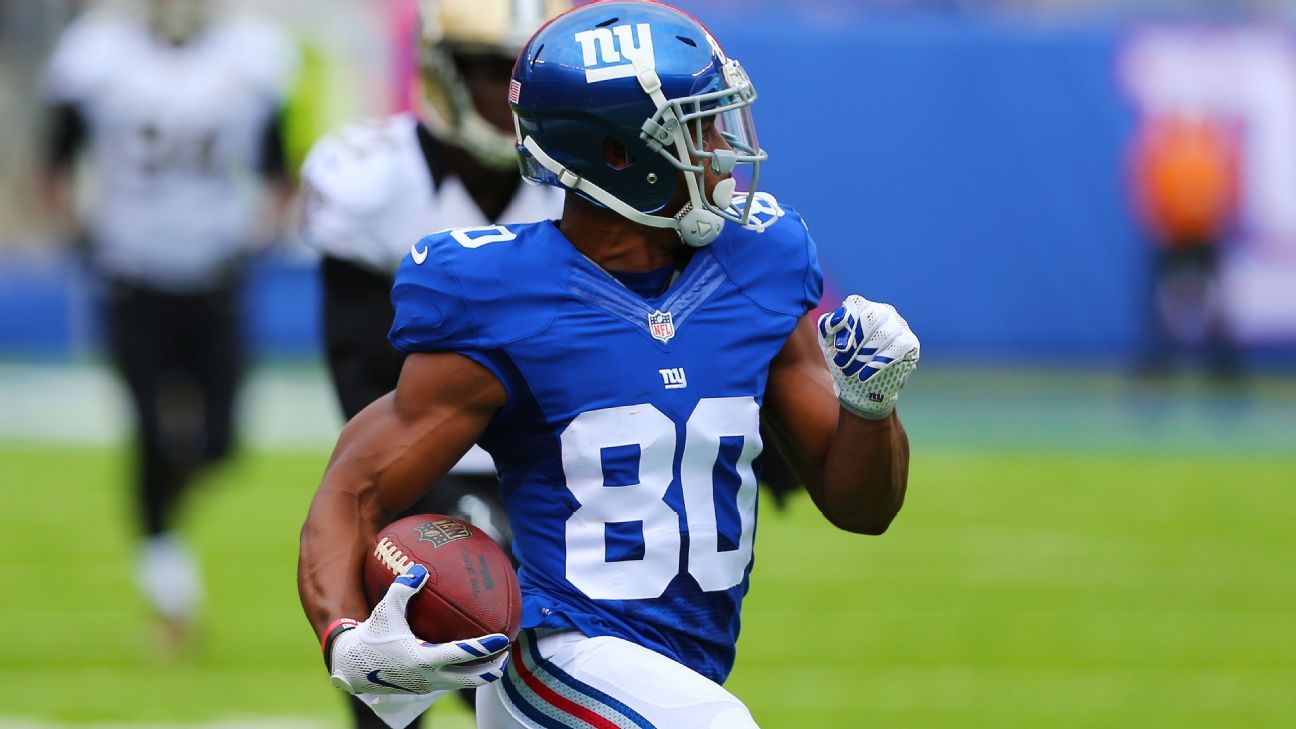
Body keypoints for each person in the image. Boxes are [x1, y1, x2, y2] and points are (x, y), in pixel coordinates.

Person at [297, 3, 920, 728]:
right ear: (618, 154)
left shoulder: (759, 263)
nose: (724, 147)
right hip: (558, 657)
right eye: (697, 127)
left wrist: (870, 407)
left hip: (673, 671)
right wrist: (346, 634)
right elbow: (354, 489)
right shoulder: (505, 294)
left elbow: (862, 508)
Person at [299, 0, 565, 725]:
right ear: (443, 74)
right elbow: (362, 376)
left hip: (553, 469)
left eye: (527, 75)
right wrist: (438, 502)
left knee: (545, 681)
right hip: (414, 457)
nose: (511, 96)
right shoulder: (371, 178)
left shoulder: (583, 180)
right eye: (491, 71)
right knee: (389, 655)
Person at [41, 0, 296, 648]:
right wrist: (78, 237)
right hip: (132, 276)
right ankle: (168, 583)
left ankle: (167, 494)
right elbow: (56, 159)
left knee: (219, 443)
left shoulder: (253, 56)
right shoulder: (97, 53)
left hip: (215, 277)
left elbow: (277, 169)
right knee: (153, 432)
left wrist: (260, 238)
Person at [1128, 109, 1241, 382]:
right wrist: (1160, 219)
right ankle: (1157, 366)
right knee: (1160, 302)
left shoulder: (1211, 151)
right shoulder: (1168, 151)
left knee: (1217, 303)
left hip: (1204, 233)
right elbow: (1148, 186)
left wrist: (1214, 218)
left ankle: (1222, 369)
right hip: (1172, 234)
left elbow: (1228, 190)